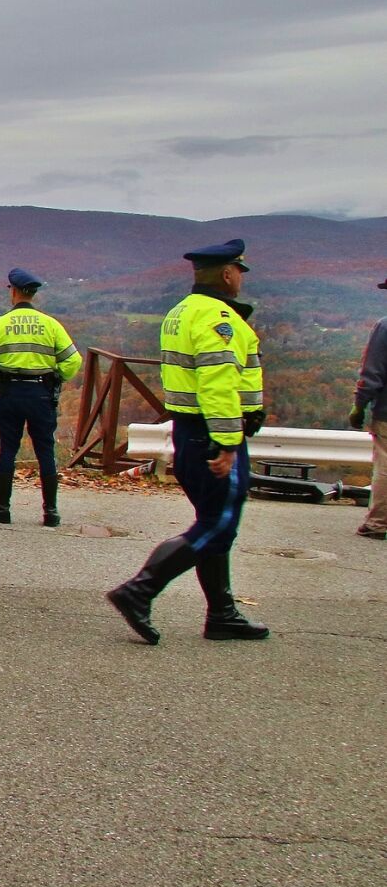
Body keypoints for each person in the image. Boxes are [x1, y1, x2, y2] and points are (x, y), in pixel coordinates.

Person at [106, 239, 269, 644]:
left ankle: (222, 614)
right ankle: (139, 590)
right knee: (219, 523)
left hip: (189, 429)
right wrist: (228, 442)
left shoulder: (181, 312)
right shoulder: (218, 318)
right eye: (239, 273)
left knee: (213, 522)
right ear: (229, 273)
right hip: (212, 433)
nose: (240, 280)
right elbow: (217, 383)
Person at [0, 268, 83, 526]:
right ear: (33, 294)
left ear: (15, 291)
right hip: (41, 393)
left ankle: (2, 507)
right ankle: (51, 512)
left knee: (8, 449)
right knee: (45, 450)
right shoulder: (50, 324)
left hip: (10, 393)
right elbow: (73, 359)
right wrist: (56, 378)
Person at [350, 275, 387, 540]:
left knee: (385, 466)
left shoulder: (385, 327)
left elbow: (372, 373)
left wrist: (359, 406)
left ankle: (378, 523)